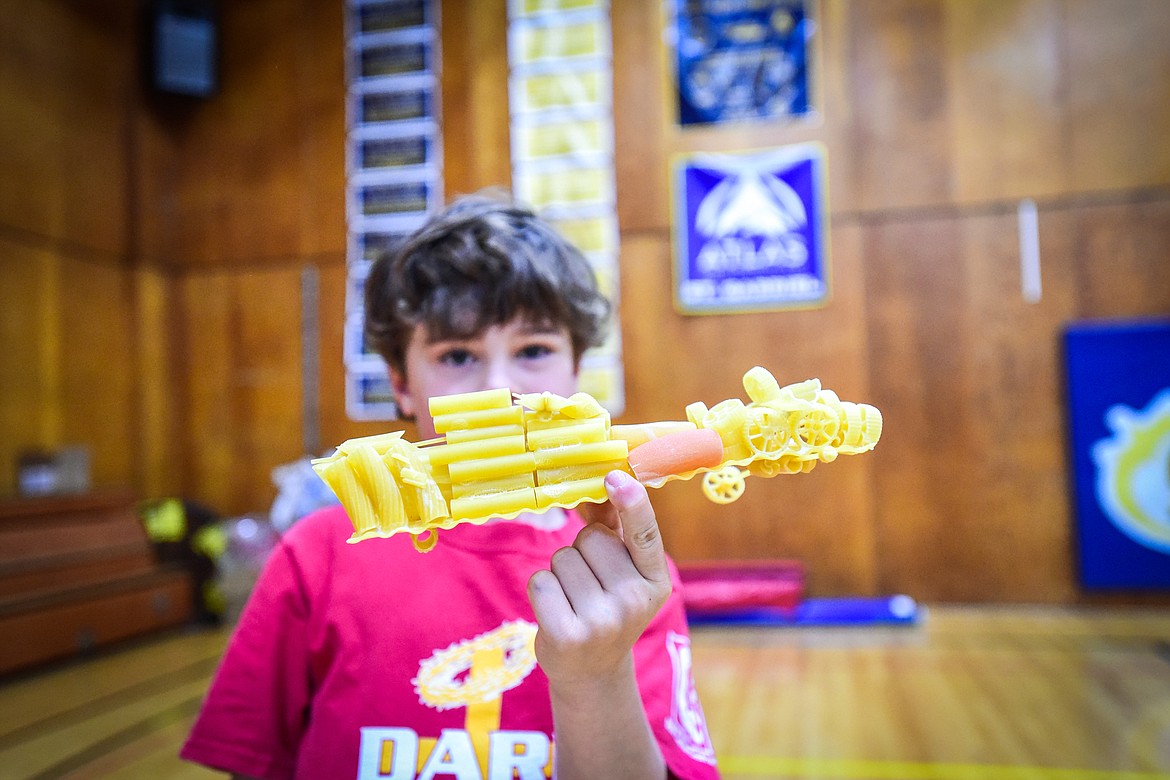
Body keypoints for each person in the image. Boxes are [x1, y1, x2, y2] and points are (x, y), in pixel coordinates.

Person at [181, 189, 720, 780]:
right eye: (458, 356)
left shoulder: (627, 577)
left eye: (534, 349)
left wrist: (598, 673)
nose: (499, 390)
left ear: (575, 372)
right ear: (402, 385)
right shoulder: (317, 555)